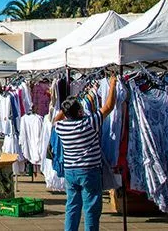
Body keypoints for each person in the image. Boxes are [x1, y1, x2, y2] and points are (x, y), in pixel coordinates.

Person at [53, 76, 118, 231]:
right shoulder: (90, 122)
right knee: (91, 208)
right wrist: (113, 84)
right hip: (89, 171)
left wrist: (67, 106)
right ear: (80, 110)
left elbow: (57, 118)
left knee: (72, 207)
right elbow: (109, 106)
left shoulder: (61, 127)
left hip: (70, 171)